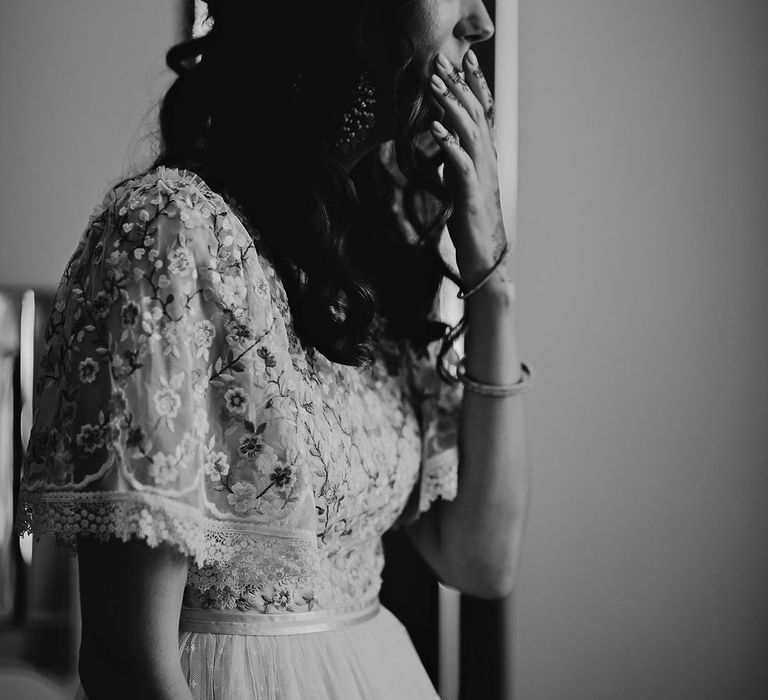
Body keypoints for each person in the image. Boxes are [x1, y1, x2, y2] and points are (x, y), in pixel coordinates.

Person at [15, 0, 532, 697]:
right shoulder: (165, 235)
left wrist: (490, 282)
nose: (482, 22)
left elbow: (480, 559)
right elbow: (124, 666)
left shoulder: (369, 254)